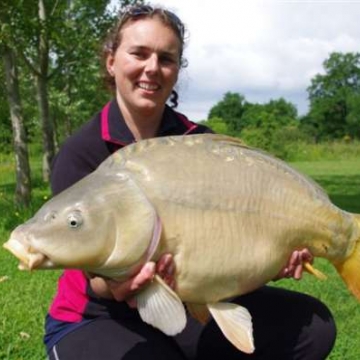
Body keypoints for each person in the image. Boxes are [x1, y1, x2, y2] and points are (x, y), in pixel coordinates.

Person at [45, 4, 336, 360]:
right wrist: (122, 285)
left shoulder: (199, 142)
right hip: (97, 314)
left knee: (314, 328)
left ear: (176, 70)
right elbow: (98, 285)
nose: (152, 68)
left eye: (166, 58)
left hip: (187, 306)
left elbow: (235, 241)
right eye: (139, 53)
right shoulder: (82, 152)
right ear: (111, 61)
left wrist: (273, 258)